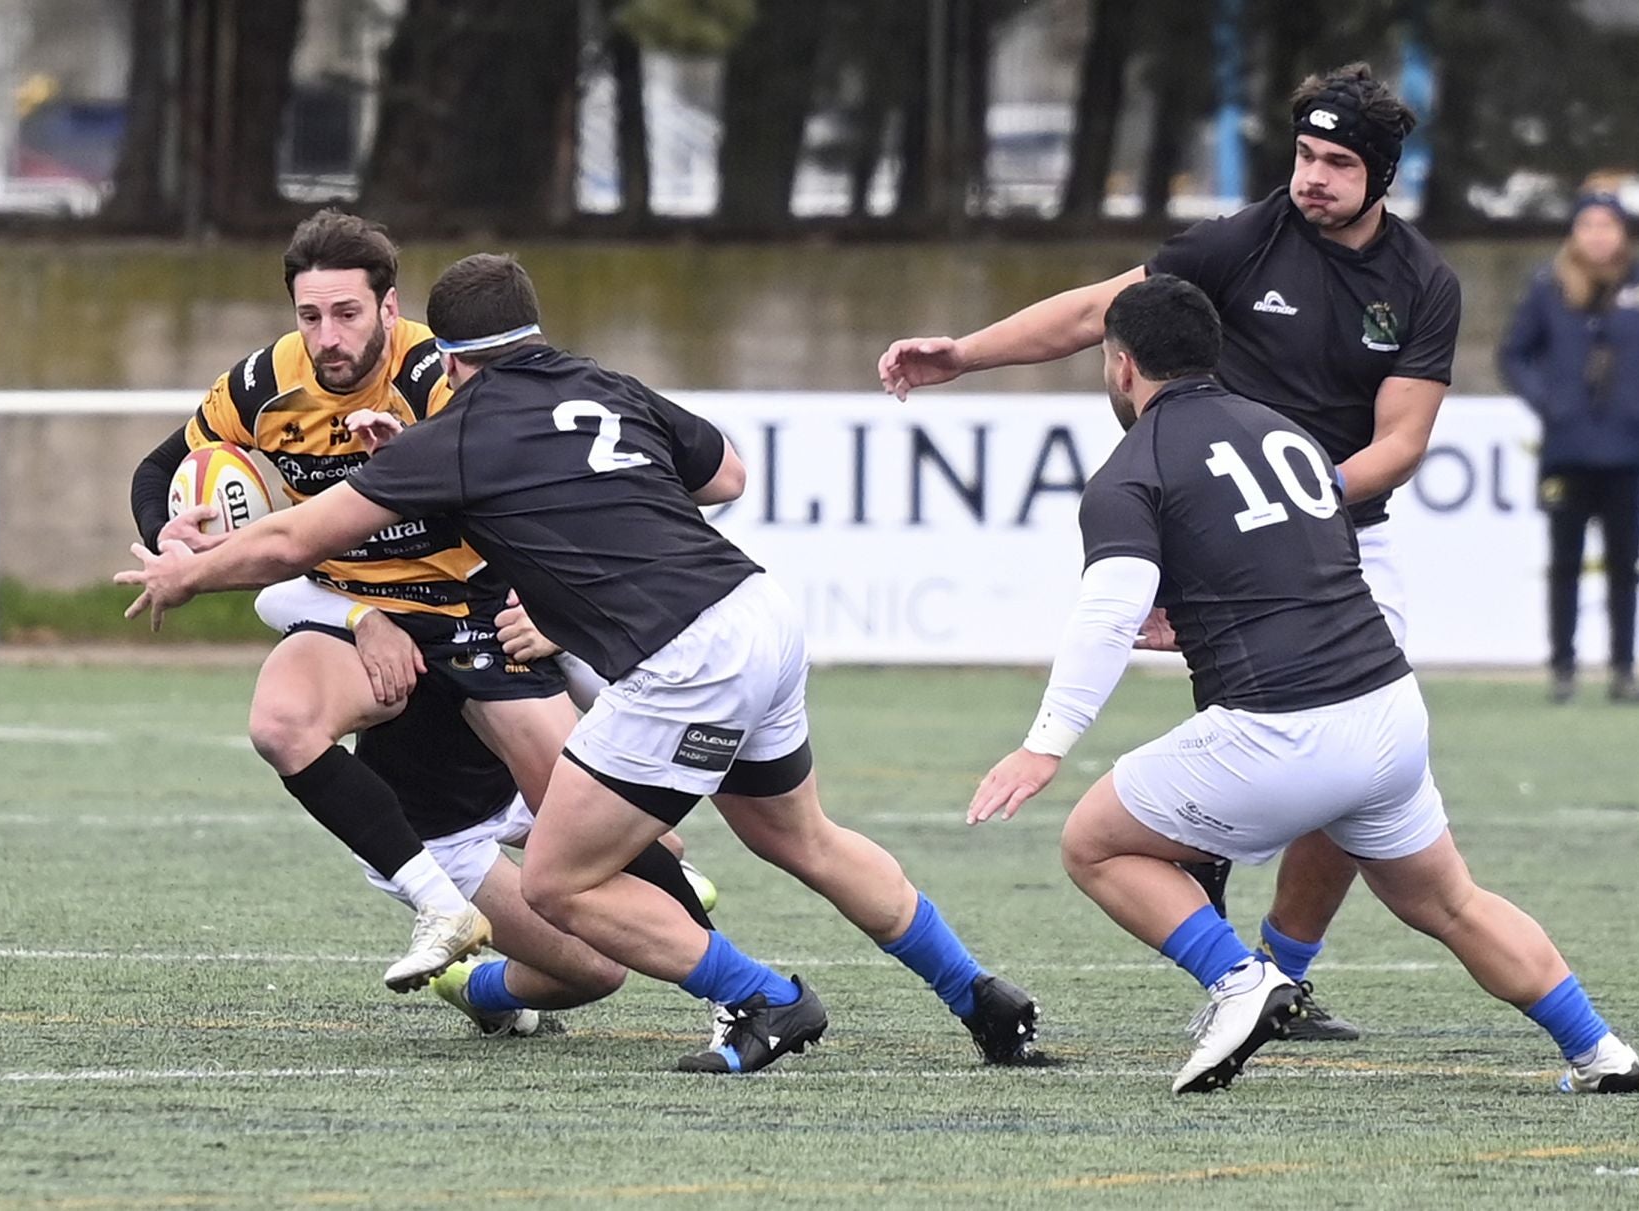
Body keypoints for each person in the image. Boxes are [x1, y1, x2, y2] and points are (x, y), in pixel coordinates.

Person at [116, 253, 1041, 1075]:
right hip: (760, 612)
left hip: (685, 656)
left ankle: (763, 997)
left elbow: (290, 542)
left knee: (558, 880)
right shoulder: (608, 384)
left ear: (446, 353)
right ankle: (980, 996)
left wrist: (189, 571)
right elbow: (726, 477)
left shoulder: (460, 433)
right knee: (800, 835)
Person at [878, 62, 1461, 1040]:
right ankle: (1232, 958)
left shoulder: (1420, 285)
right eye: (1305, 154)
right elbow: (1103, 312)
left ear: (1383, 174)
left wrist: (1295, 500)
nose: (1312, 177)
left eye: (1337, 163)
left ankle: (1282, 973)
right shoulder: (1246, 238)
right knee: (1237, 735)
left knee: (1359, 760)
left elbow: (1400, 443)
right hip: (1222, 544)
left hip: (1348, 542)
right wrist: (964, 354)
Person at [968, 275, 1639, 1095]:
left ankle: (1240, 979)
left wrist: (1044, 746)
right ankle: (1600, 1049)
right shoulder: (1283, 432)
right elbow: (1303, 566)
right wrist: (1196, 619)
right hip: (1387, 709)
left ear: (1121, 365)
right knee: (1453, 902)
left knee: (1094, 840)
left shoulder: (1129, 469)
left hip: (1285, 728)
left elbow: (1106, 615)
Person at [128, 209, 577, 994]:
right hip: (357, 610)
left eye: (346, 314)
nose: (328, 337)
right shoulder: (267, 383)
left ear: (388, 308)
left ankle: (653, 885)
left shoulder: (438, 374)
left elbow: (526, 487)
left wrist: (543, 598)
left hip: (474, 611)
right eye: (310, 316)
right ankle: (439, 907)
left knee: (594, 947)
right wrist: (168, 532)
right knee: (280, 720)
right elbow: (160, 465)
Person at [250, 577, 721, 1039]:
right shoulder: (388, 580)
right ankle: (474, 988)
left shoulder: (513, 564)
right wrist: (364, 619)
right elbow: (274, 593)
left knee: (664, 847)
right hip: (439, 830)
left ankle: (731, 982)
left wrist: (565, 637)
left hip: (513, 784)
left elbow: (617, 698)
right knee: (598, 971)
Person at [1498, 190, 1639, 704]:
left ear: (1624, 233)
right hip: (1565, 450)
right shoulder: (1548, 287)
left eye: (1608, 226)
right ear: (1574, 232)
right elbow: (1514, 354)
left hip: (1626, 452)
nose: (1598, 236)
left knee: (1623, 567)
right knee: (1564, 562)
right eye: (1588, 225)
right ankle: (1563, 669)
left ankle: (1623, 671)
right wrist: (1548, 403)